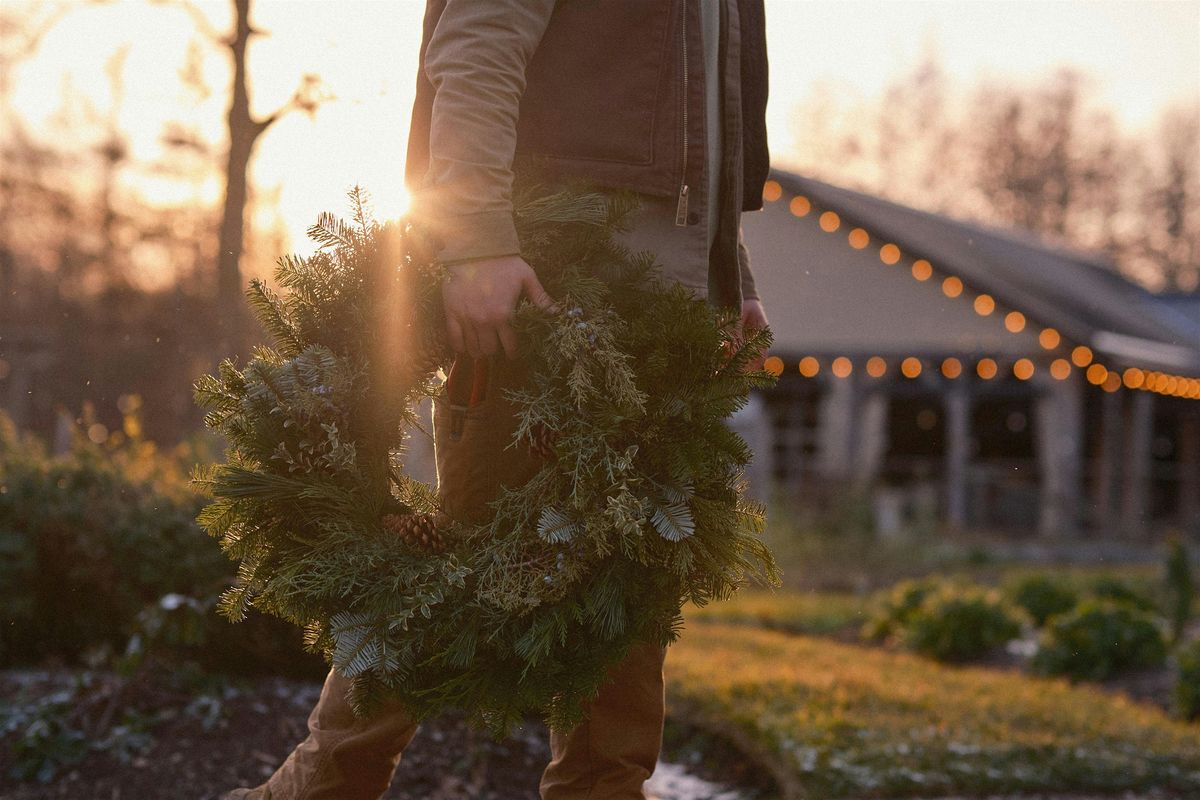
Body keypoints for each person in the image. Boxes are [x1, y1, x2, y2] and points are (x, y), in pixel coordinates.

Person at [224, 1, 769, 797]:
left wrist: (731, 275)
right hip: (548, 279)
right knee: (471, 561)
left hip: (668, 305)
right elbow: (477, 41)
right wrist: (478, 239)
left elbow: (705, 123)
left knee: (634, 582)